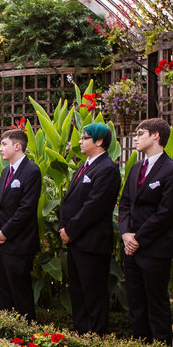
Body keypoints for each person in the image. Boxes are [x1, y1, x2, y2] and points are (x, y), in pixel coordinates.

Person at [118, 117, 173, 346]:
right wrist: (126, 234)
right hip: (131, 248)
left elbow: (166, 212)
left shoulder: (172, 170)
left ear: (156, 135)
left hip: (155, 249)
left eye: (140, 133)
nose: (135, 138)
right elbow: (125, 203)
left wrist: (139, 238)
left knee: (156, 303)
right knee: (136, 303)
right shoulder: (137, 167)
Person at [58, 122, 121, 335]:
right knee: (78, 291)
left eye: (85, 138)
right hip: (76, 241)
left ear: (99, 141)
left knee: (93, 293)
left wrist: (70, 230)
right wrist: (62, 227)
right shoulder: (84, 166)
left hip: (92, 242)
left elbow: (94, 206)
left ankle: (95, 337)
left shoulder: (107, 169)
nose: (80, 141)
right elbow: (69, 202)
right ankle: (81, 333)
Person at [0, 127, 42, 321]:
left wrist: (5, 232)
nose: (0, 149)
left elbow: (26, 209)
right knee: (4, 293)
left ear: (17, 146)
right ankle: (6, 331)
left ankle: (25, 333)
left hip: (20, 244)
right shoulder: (5, 172)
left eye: (4, 144)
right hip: (1, 243)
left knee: (21, 293)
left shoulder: (32, 171)